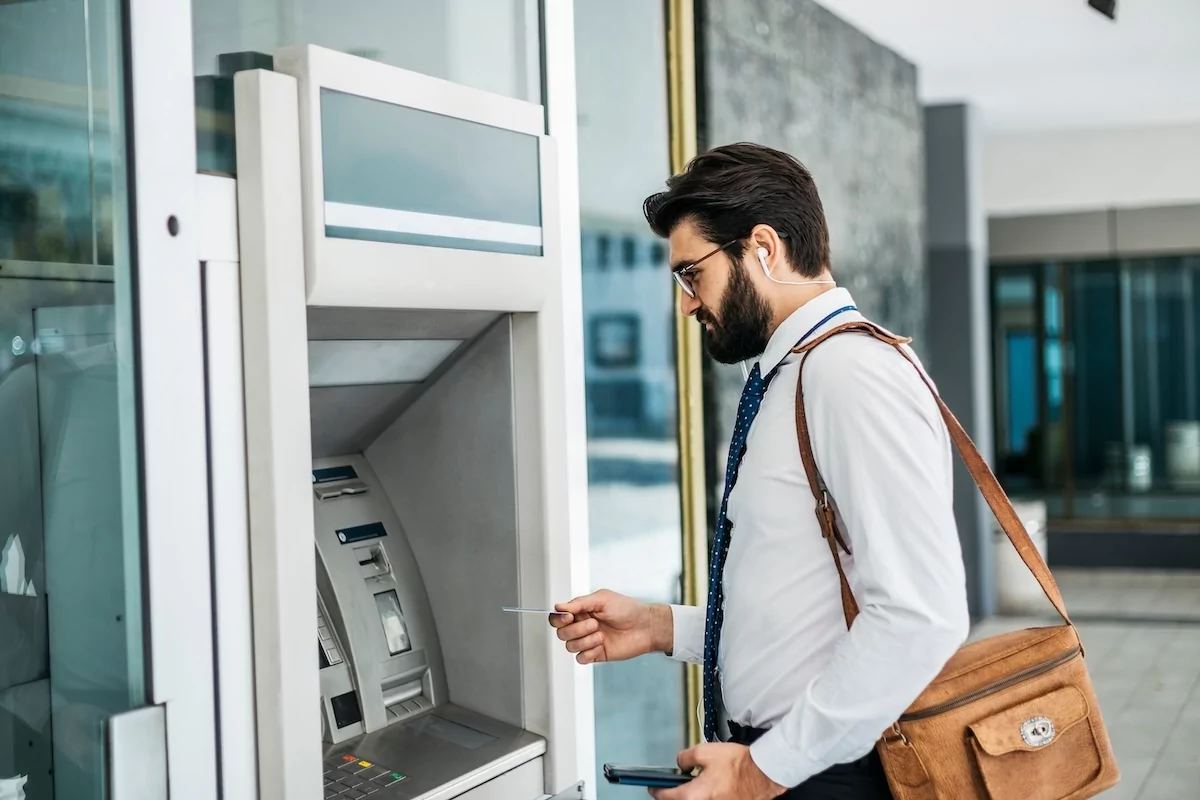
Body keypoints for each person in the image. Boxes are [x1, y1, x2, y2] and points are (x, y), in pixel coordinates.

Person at [551, 143, 970, 800]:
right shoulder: (789, 374)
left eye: (693, 274)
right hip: (796, 765)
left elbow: (921, 614)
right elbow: (802, 608)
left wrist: (760, 771)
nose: (687, 304)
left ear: (763, 248)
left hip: (827, 772)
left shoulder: (850, 373)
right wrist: (662, 626)